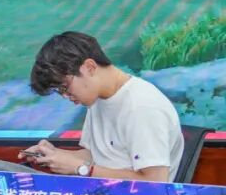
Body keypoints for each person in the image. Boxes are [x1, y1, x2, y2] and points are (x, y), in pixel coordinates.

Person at [20, 32, 183, 182]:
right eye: (59, 91)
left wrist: (83, 170)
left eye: (64, 87)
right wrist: (55, 156)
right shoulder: (98, 99)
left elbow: (155, 184)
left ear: (89, 67)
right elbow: (96, 156)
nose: (65, 95)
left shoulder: (142, 107)